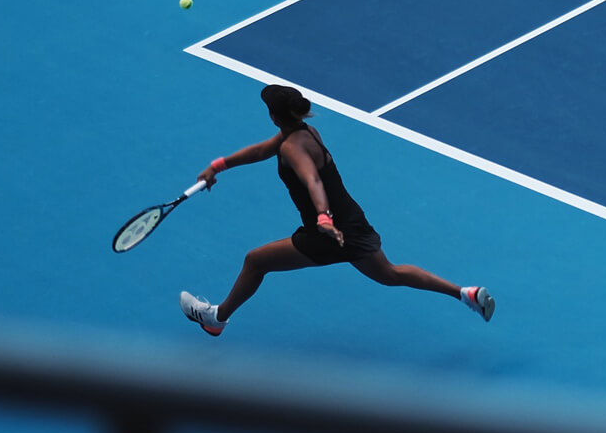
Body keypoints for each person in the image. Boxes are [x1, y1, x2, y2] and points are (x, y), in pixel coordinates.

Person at [179, 84, 495, 335]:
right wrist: (217, 166)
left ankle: (216, 318)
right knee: (389, 273)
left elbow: (312, 180)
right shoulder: (303, 132)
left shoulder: (292, 147)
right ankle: (464, 293)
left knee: (255, 261)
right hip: (352, 222)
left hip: (328, 232)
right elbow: (261, 150)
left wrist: (323, 218)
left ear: (274, 116)